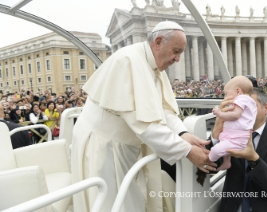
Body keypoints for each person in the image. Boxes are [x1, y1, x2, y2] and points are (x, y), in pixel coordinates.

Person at [71, 21, 216, 212]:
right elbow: (145, 124)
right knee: (113, 204)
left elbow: (161, 108)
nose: (178, 59)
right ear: (158, 42)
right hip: (104, 147)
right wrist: (187, 151)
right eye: (176, 51)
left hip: (125, 146)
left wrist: (182, 133)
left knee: (133, 200)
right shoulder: (128, 61)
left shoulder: (154, 65)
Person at [210, 87, 267, 212]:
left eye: (249, 106)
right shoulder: (227, 132)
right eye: (237, 106)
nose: (241, 111)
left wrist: (254, 159)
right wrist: (217, 130)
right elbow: (208, 167)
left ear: (266, 108)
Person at [210, 76, 257, 170]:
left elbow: (235, 115)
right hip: (232, 135)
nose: (226, 97)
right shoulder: (245, 101)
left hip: (236, 137)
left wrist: (220, 113)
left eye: (227, 94)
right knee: (225, 149)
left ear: (238, 91)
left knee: (215, 150)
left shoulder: (242, 99)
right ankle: (226, 162)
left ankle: (209, 160)